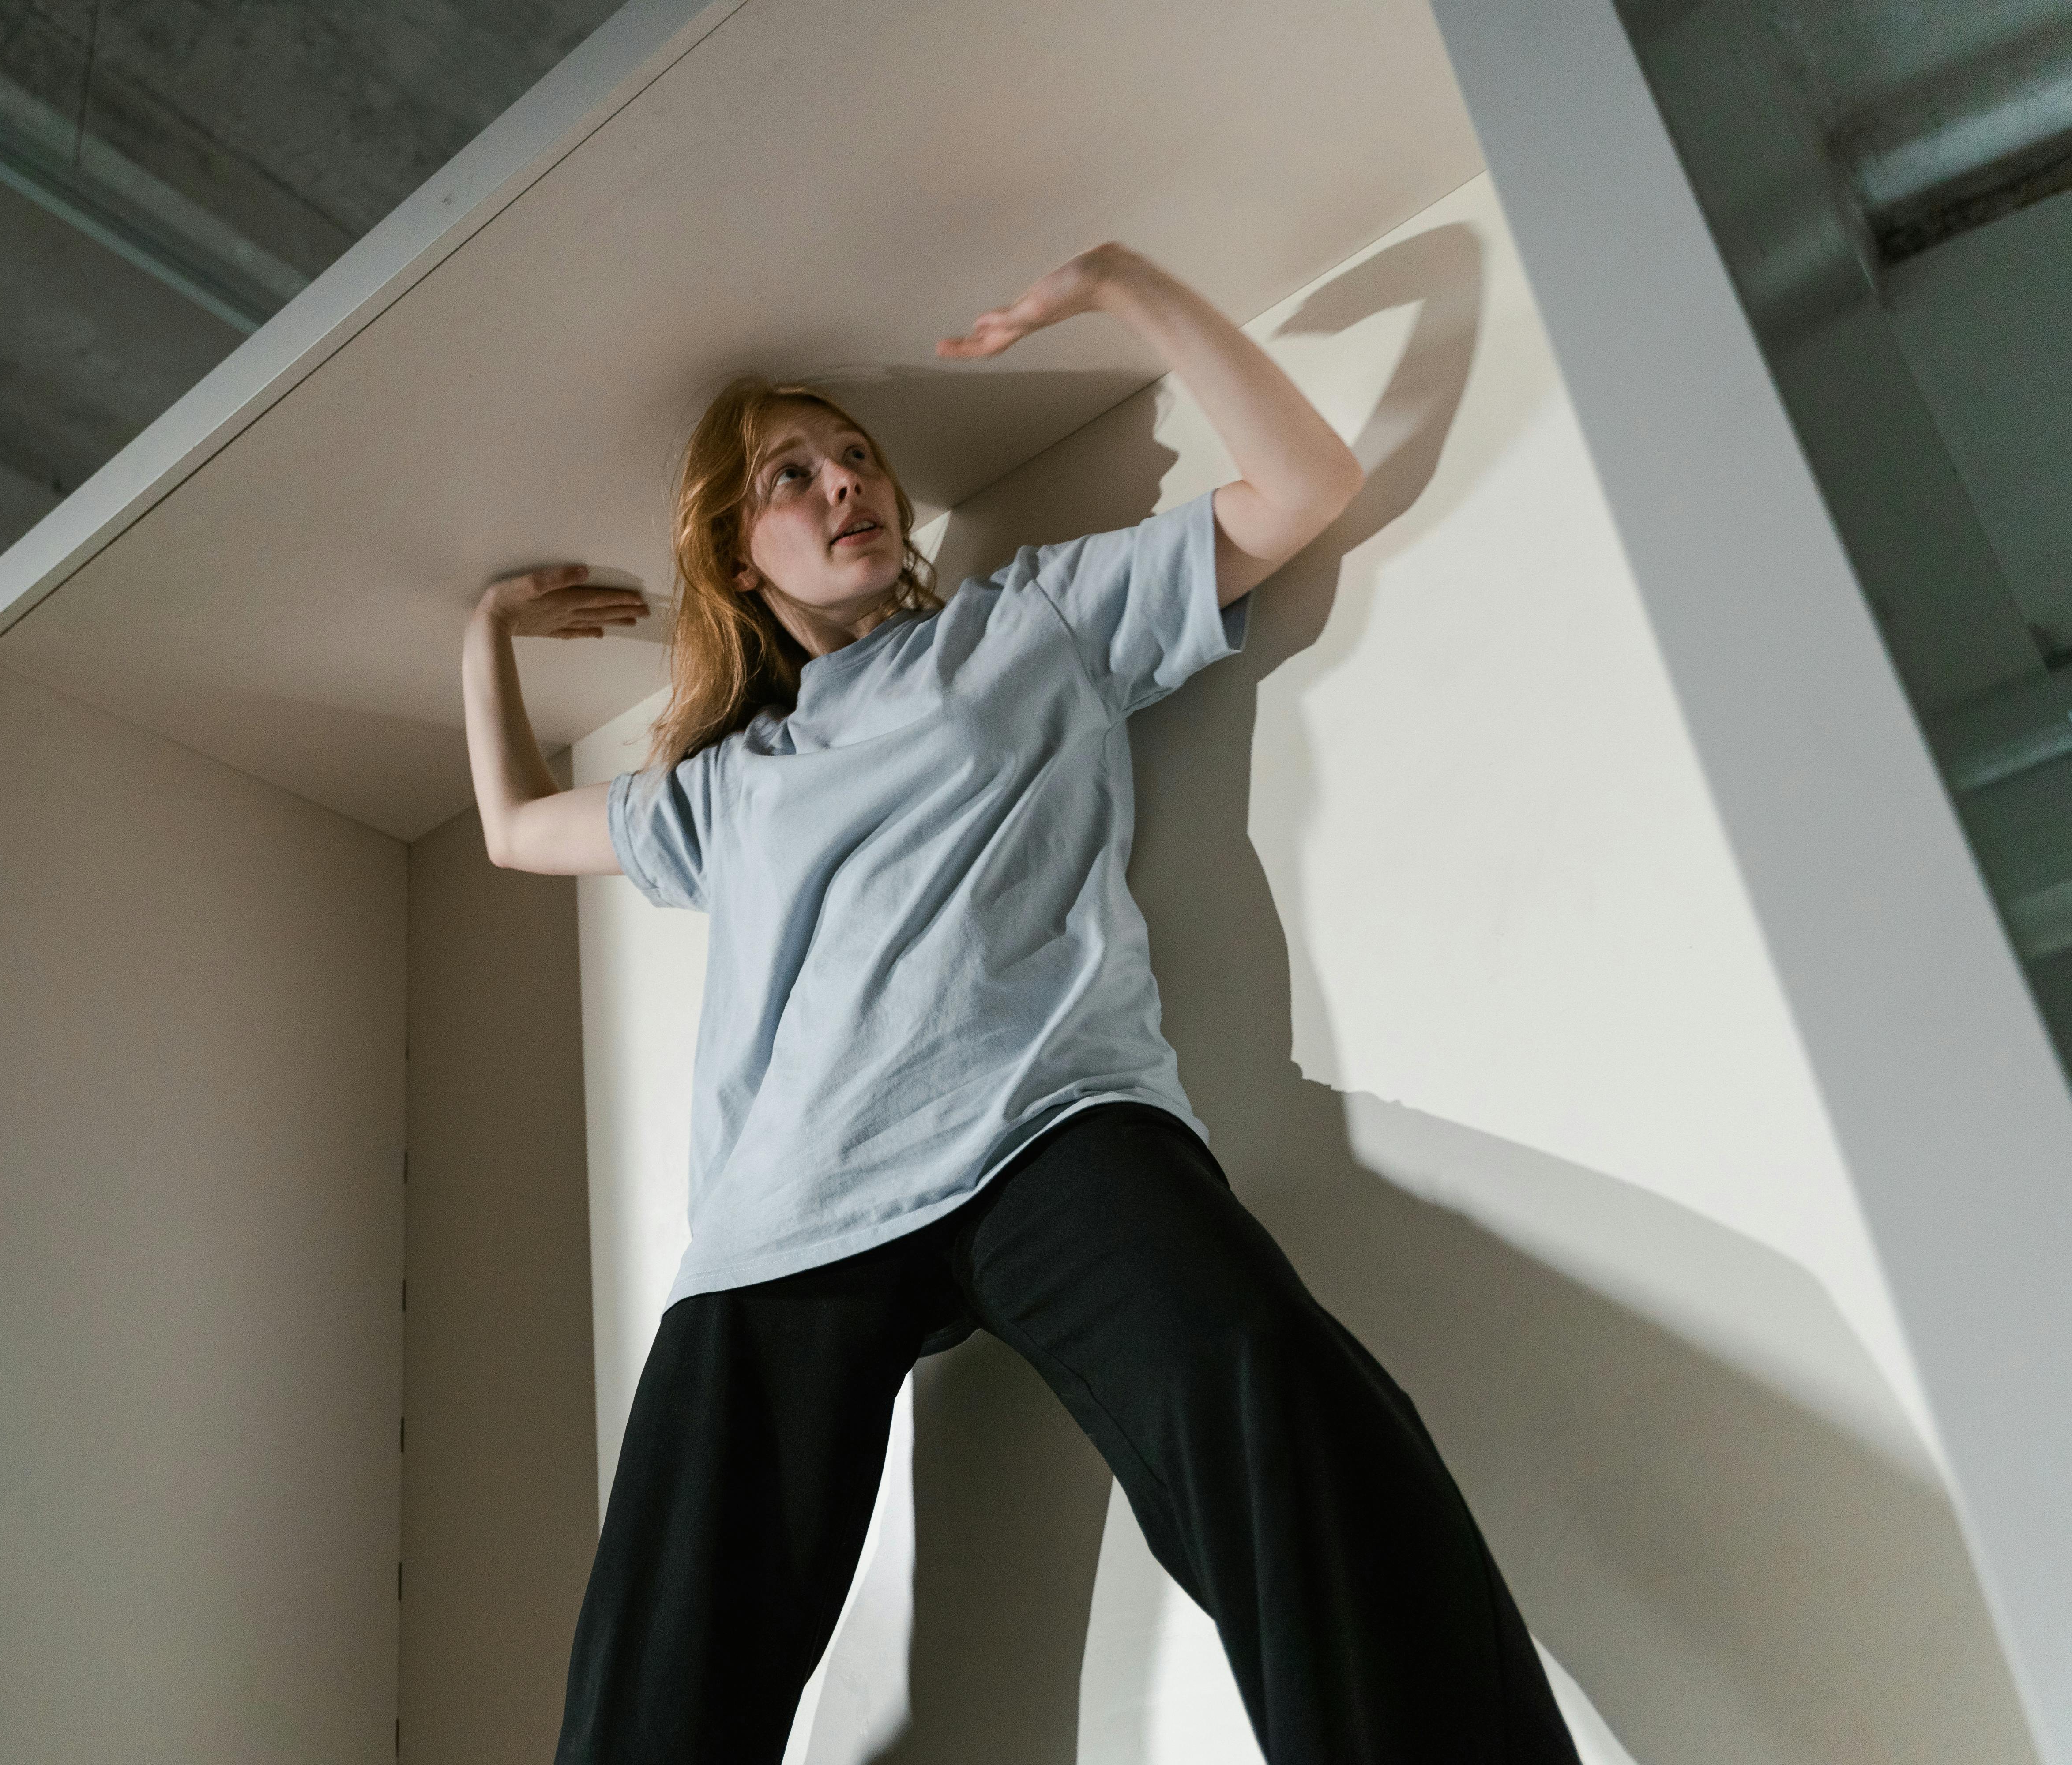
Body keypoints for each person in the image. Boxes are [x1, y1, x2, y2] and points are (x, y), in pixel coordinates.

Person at [460, 242, 1580, 1765]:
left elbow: (1306, 484)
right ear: (739, 558)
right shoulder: (729, 790)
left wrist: (1129, 286)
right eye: (792, 476)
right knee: (665, 1661)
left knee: (1291, 1418)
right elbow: (517, 833)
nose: (846, 483)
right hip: (793, 1211)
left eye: (857, 456)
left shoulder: (1033, 623)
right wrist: (483, 640)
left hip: (1051, 1130)